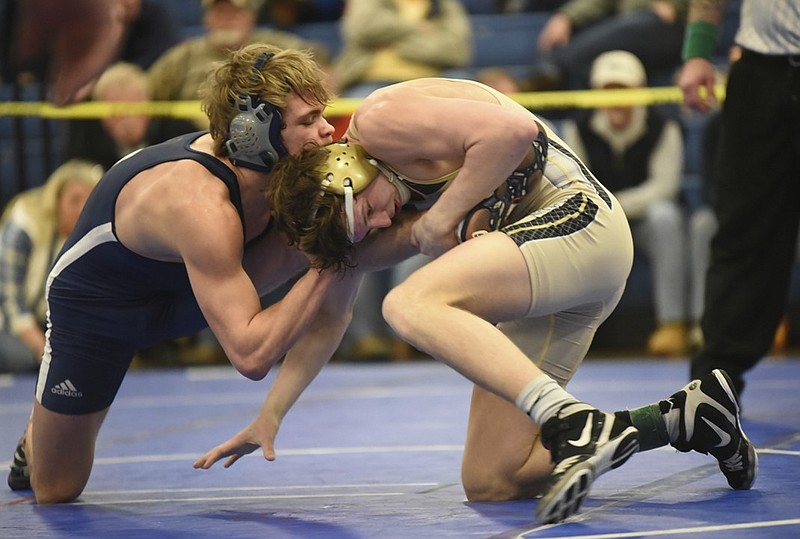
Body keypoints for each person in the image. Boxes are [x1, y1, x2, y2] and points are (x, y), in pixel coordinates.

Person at [194, 78, 756, 524]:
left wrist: (438, 219)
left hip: (582, 221)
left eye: (365, 212)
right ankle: (685, 419)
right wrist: (270, 416)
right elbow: (329, 317)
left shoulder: (380, 121)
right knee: (492, 479)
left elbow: (510, 129)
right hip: (547, 277)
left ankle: (570, 420)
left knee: (406, 304)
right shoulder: (375, 213)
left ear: (344, 172)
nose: (384, 221)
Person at [5, 43, 346, 505]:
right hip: (99, 311)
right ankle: (37, 430)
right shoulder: (199, 203)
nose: (327, 131)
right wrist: (330, 259)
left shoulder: (274, 171)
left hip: (185, 288)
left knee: (337, 223)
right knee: (56, 489)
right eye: (308, 121)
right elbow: (250, 357)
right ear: (252, 133)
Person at [677, 0, 800, 395]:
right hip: (762, 70)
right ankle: (715, 383)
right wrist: (697, 50)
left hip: (763, 71)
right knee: (741, 229)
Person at [559, 50, 688, 357]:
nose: (616, 99)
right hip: (597, 223)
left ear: (640, 89)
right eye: (608, 91)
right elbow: (577, 186)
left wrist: (615, 205)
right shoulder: (577, 128)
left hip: (642, 221)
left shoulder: (664, 127)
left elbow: (664, 187)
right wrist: (605, 210)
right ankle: (568, 331)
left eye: (624, 90)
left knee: (666, 216)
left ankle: (673, 324)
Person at [148, 0, 330, 129]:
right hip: (193, 139)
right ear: (206, 19)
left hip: (268, 137)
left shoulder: (278, 47)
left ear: (251, 16)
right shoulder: (185, 56)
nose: (226, 19)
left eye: (234, 12)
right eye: (219, 12)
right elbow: (145, 91)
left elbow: (321, 70)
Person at [0, 160, 102, 374]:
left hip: (45, 324)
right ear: (56, 200)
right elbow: (10, 304)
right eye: (74, 200)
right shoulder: (24, 225)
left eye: (89, 200)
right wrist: (42, 348)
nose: (82, 208)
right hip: (7, 322)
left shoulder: (91, 236)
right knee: (24, 360)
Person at [61, 62, 196, 172]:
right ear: (101, 115)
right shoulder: (85, 141)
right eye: (116, 112)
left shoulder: (179, 134)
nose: (127, 118)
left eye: (134, 109)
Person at [530, 0, 689, 91]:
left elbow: (706, 8)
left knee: (640, 22)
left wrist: (676, 5)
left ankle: (556, 62)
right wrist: (567, 16)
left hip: (672, 28)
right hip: (626, 24)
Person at [330, 0, 472, 97]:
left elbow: (456, 51)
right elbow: (362, 29)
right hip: (374, 81)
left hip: (435, 80)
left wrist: (393, 43)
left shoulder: (445, 5)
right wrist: (417, 28)